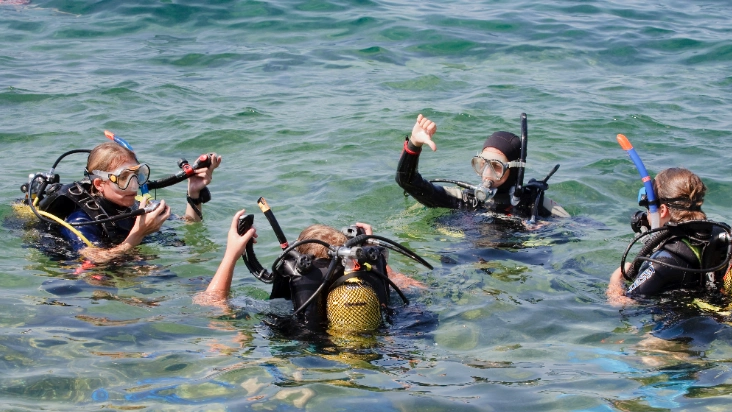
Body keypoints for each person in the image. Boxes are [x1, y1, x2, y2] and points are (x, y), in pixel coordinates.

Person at [197, 211, 427, 332]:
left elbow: (210, 307)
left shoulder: (288, 315)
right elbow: (421, 289)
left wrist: (231, 255)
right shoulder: (379, 304)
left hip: (308, 359)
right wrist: (373, 256)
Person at [606, 167, 732, 306]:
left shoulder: (665, 260)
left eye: (650, 208)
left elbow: (622, 303)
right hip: (717, 318)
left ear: (663, 210)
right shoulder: (720, 233)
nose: (647, 215)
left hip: (678, 332)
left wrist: (617, 278)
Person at [58, 142, 221, 263]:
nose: (134, 185)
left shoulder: (135, 205)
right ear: (100, 184)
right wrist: (138, 234)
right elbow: (95, 259)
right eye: (123, 178)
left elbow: (190, 225)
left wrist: (194, 193)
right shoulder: (81, 221)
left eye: (138, 175)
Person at [396, 114, 569, 219]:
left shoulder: (535, 206)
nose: (487, 174)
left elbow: (581, 231)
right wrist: (414, 143)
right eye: (481, 164)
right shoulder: (467, 200)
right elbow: (407, 181)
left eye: (496, 167)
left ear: (514, 169)